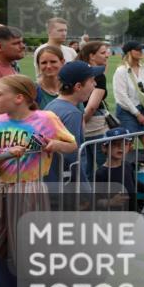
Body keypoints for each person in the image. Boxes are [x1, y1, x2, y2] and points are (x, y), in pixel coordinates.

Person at [0, 75, 77, 260]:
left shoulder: (46, 118)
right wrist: (5, 153)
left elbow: (72, 145)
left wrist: (55, 144)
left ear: (19, 98)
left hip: (28, 189)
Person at [45, 61, 104, 195]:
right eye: (91, 81)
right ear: (78, 86)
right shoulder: (72, 114)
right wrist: (85, 190)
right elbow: (73, 157)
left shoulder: (52, 105)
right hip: (65, 185)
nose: (95, 85)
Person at [112, 41, 144, 137]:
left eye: (141, 49)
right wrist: (137, 114)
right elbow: (122, 96)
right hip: (126, 112)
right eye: (137, 50)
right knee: (127, 145)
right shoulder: (121, 71)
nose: (140, 52)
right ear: (129, 52)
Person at [94, 136, 138, 212]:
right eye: (115, 144)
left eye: (125, 144)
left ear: (129, 146)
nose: (120, 147)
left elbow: (135, 184)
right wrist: (111, 202)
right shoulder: (101, 173)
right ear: (104, 148)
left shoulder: (127, 165)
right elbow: (96, 202)